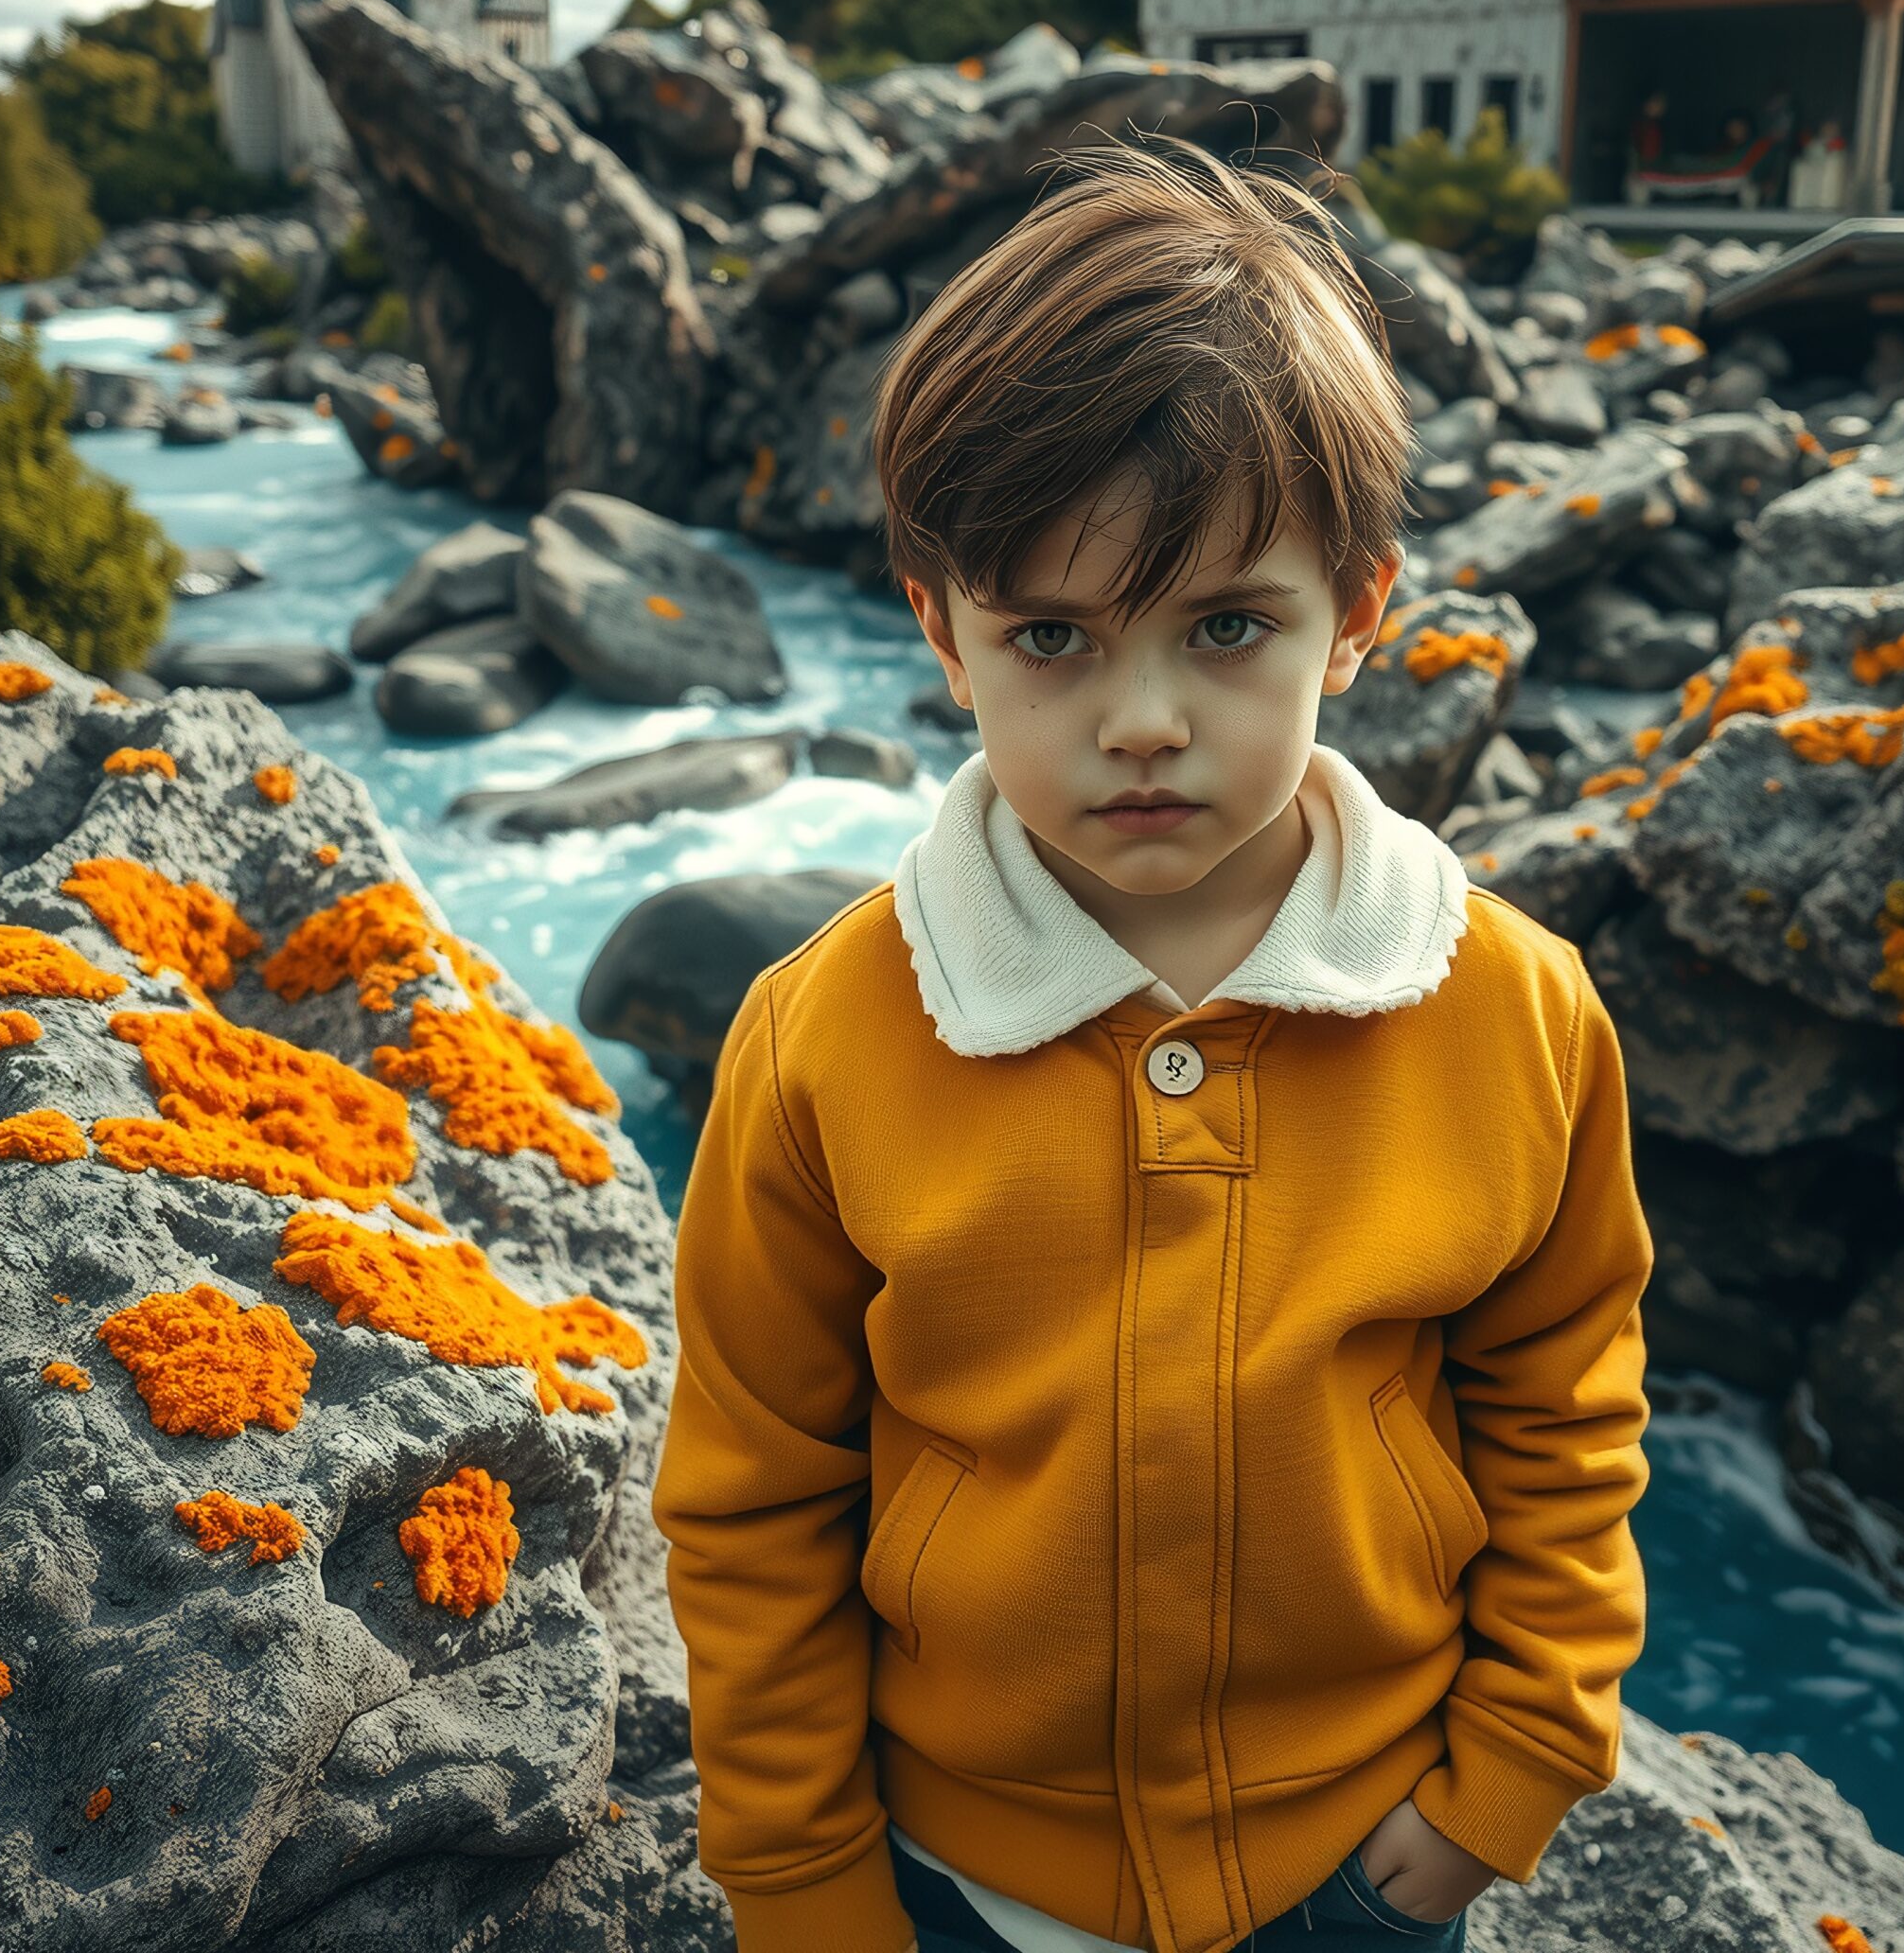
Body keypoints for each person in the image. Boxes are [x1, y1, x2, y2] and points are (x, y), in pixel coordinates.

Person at [652, 132, 1655, 1953]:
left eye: (1223, 629)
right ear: (942, 638)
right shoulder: (823, 1041)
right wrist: (803, 1884)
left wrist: (1510, 1772)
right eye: (1052, 633)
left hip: (1363, 1861)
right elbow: (754, 1500)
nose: (1140, 720)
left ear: (1356, 616)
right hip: (955, 1879)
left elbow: (1564, 1416)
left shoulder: (1511, 1015)